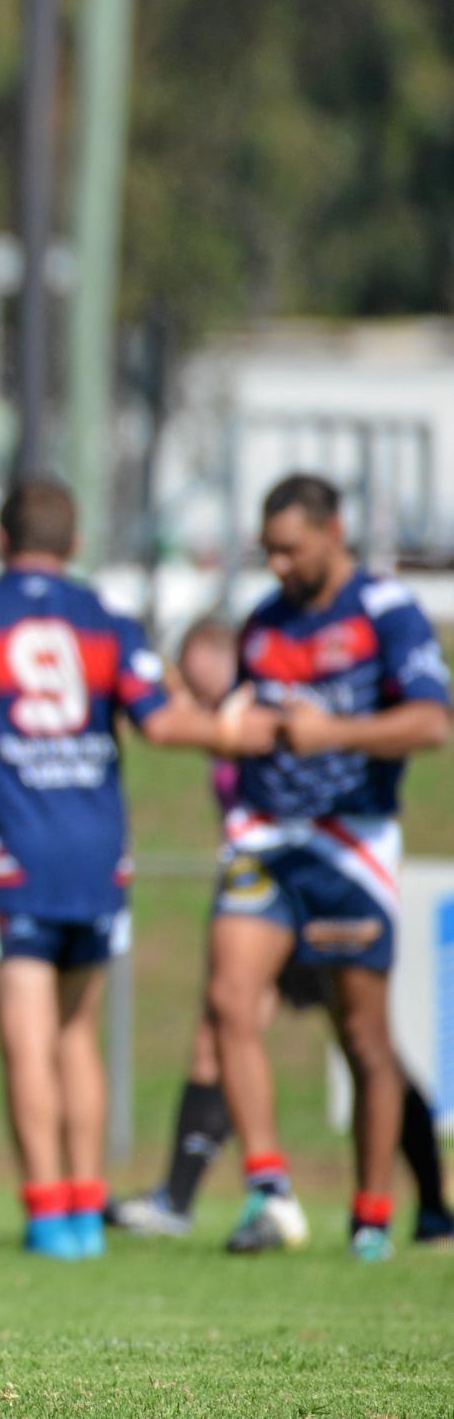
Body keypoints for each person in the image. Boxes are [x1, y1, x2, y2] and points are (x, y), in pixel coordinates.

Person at [0, 478, 238, 1258]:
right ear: (73, 544)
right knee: (79, 1035)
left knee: (26, 1039)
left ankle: (47, 1212)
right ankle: (85, 1204)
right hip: (99, 855)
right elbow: (163, 721)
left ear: (2, 542)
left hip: (16, 856)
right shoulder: (105, 620)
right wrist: (246, 733)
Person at [110, 618, 454, 1244]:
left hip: (319, 884)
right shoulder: (228, 720)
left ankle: (427, 1204)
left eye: (198, 677)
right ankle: (199, 1198)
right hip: (267, 899)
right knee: (222, 1023)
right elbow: (181, 726)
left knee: (366, 1043)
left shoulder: (257, 706)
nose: (194, 689)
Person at [202, 473, 449, 1259]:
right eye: (267, 549)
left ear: (333, 532)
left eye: (290, 548)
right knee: (228, 1000)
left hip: (349, 840)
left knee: (362, 1035)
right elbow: (252, 709)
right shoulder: (263, 623)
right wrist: (233, 728)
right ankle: (269, 1193)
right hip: (267, 835)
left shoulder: (385, 612)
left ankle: (372, 1215)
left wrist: (335, 732)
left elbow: (431, 721)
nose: (276, 563)